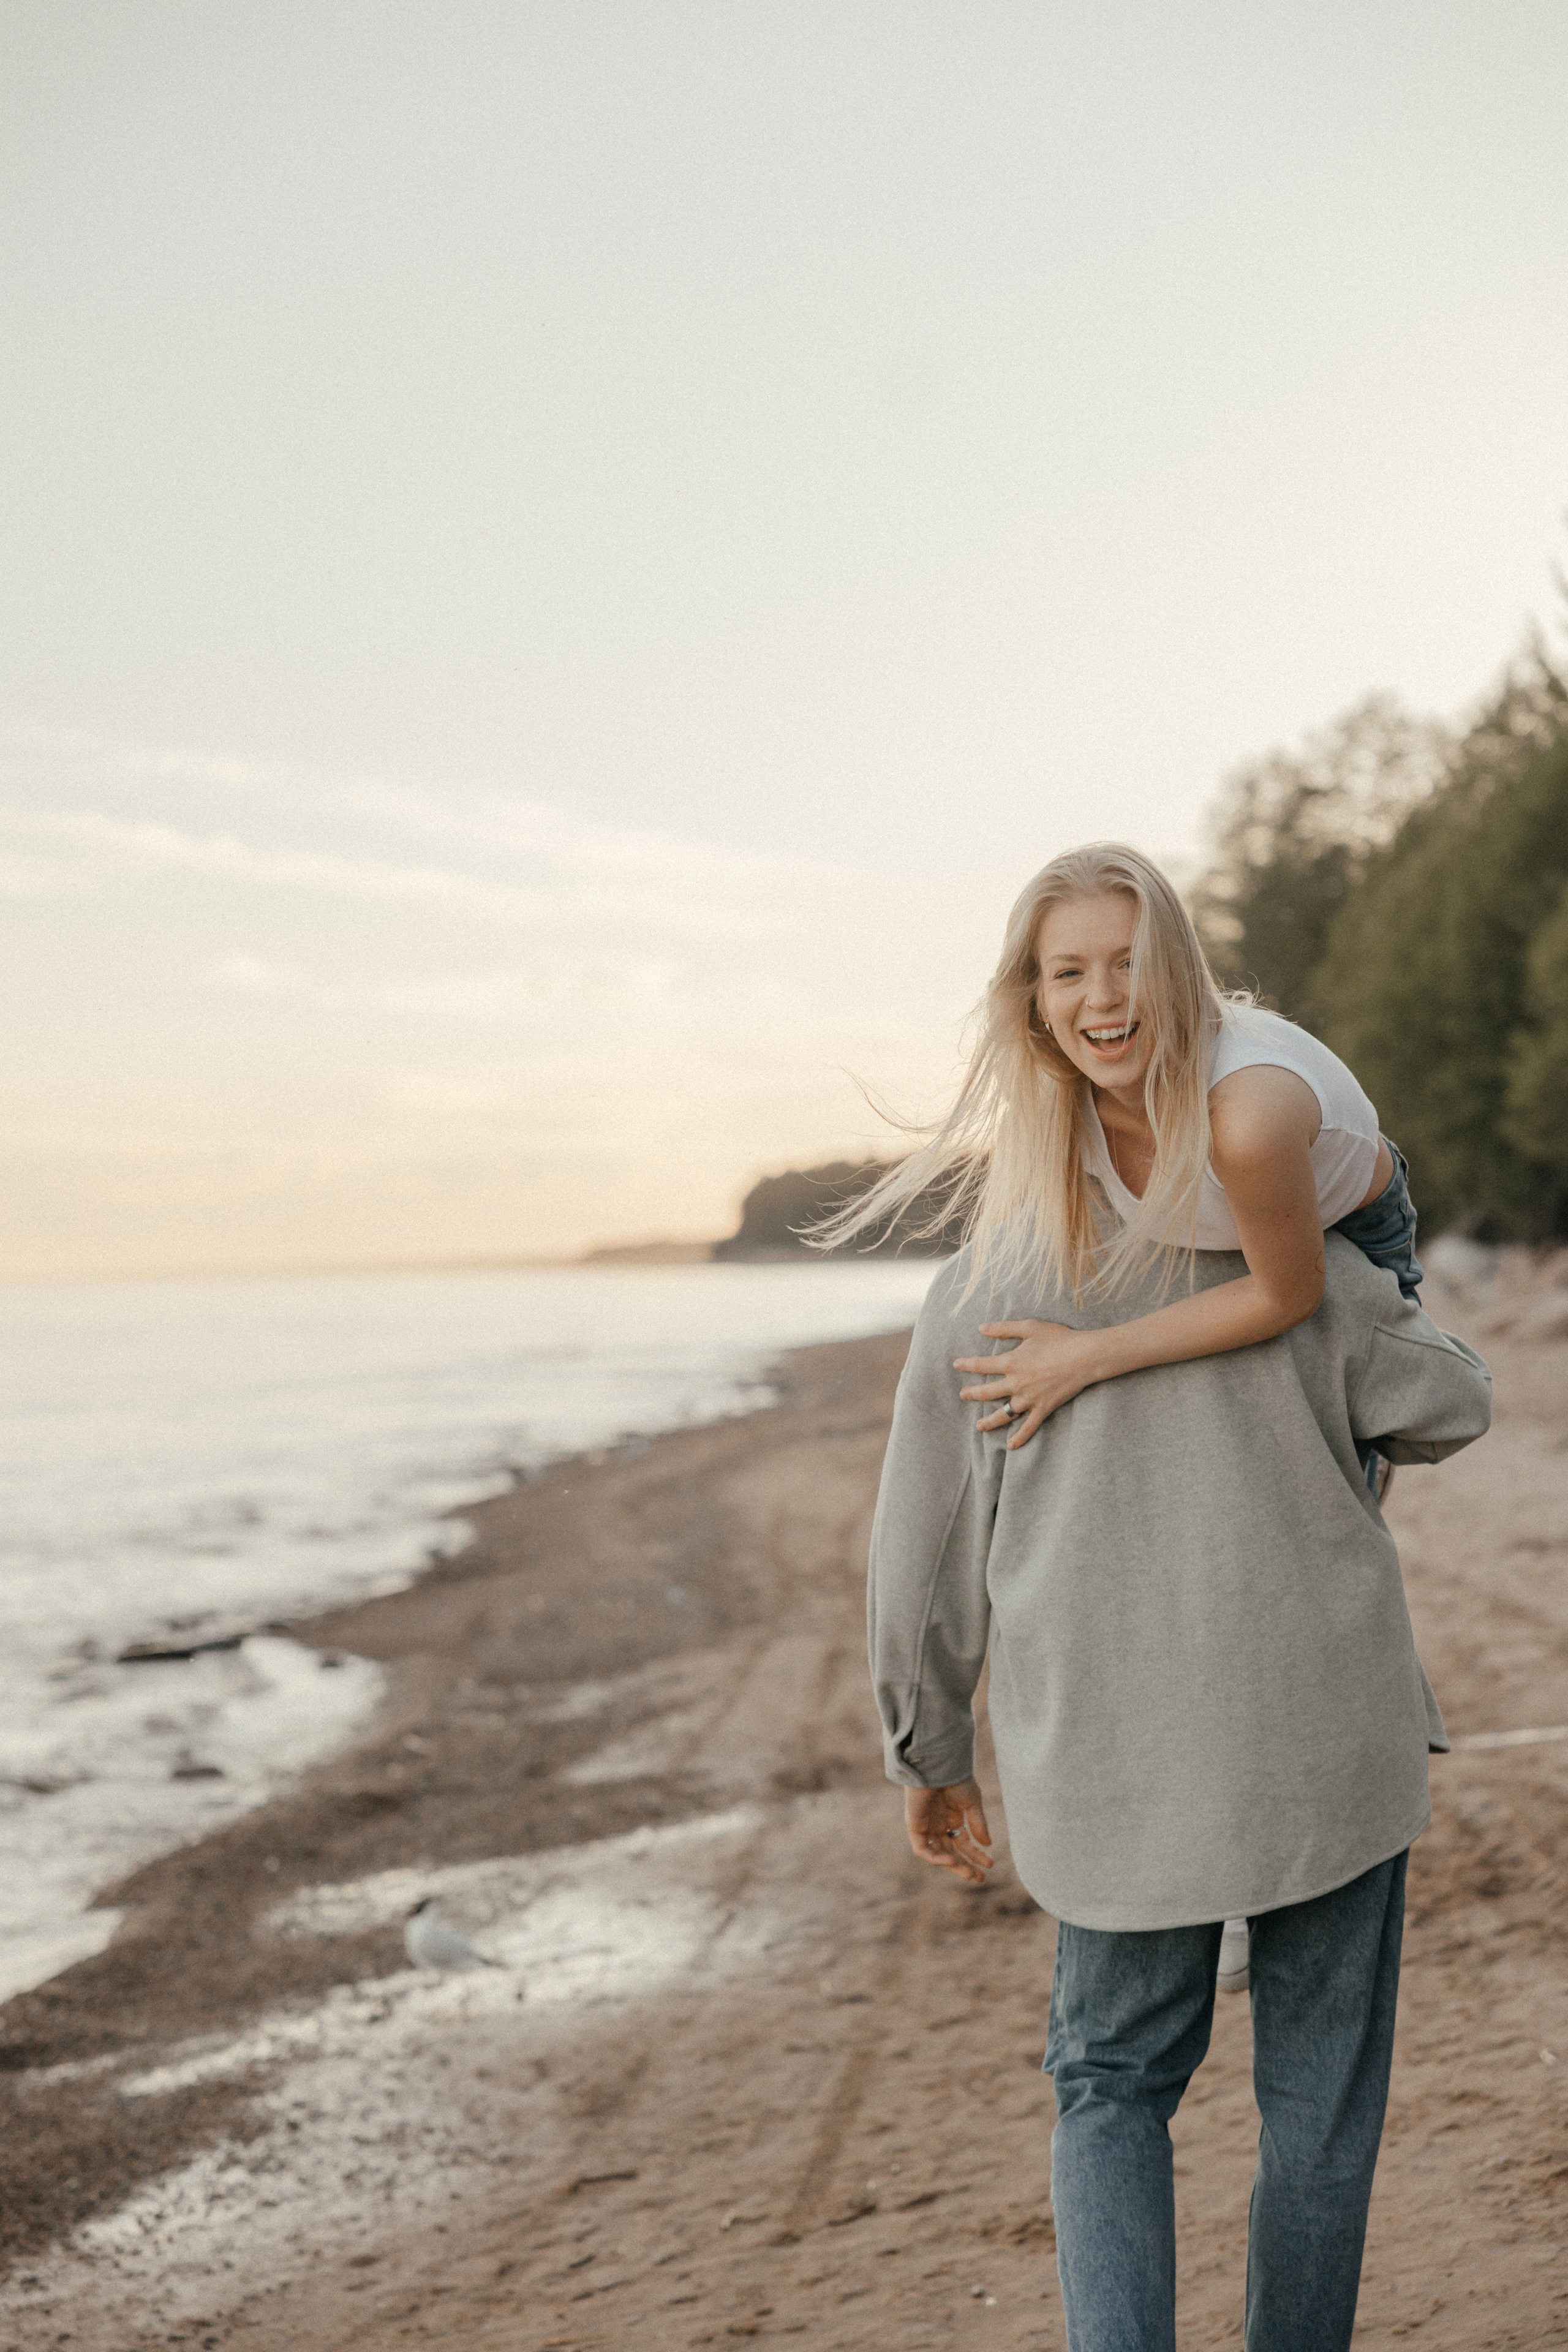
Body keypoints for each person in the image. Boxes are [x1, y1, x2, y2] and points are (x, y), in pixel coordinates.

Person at [867, 1229, 1491, 2351]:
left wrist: (929, 1748)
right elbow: (1452, 1404)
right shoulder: (1296, 1263)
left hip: (1119, 1765)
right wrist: (1378, 1250)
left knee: (1110, 2089)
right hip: (1323, 1742)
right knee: (1320, 2112)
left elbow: (930, 1541)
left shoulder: (988, 1286)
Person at [824, 840, 1425, 1994]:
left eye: (1131, 964)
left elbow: (1291, 1295)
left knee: (1302, 1465)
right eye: (1069, 974)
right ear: (1035, 1005)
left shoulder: (1246, 1119)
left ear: (1181, 972)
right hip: (1220, 1194)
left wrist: (1088, 1358)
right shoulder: (1079, 1143)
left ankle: (1281, 1772)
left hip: (1348, 1231)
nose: (1102, 997)